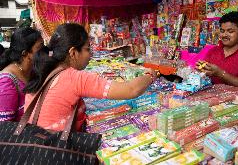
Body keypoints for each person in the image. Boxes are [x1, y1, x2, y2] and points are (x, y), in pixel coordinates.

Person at [24, 23, 158, 132]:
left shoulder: (41, 70)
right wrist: (150, 75)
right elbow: (131, 90)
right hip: (57, 149)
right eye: (87, 49)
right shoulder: (74, 78)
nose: (91, 55)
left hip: (35, 144)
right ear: (73, 52)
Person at [196, 12, 238, 92]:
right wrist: (200, 71)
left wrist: (221, 74)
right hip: (212, 99)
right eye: (222, 31)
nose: (224, 35)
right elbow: (204, 76)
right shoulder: (213, 51)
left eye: (230, 31)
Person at [0, 27, 43, 121]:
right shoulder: (6, 82)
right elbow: (4, 126)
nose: (45, 52)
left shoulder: (33, 72)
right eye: (40, 48)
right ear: (26, 53)